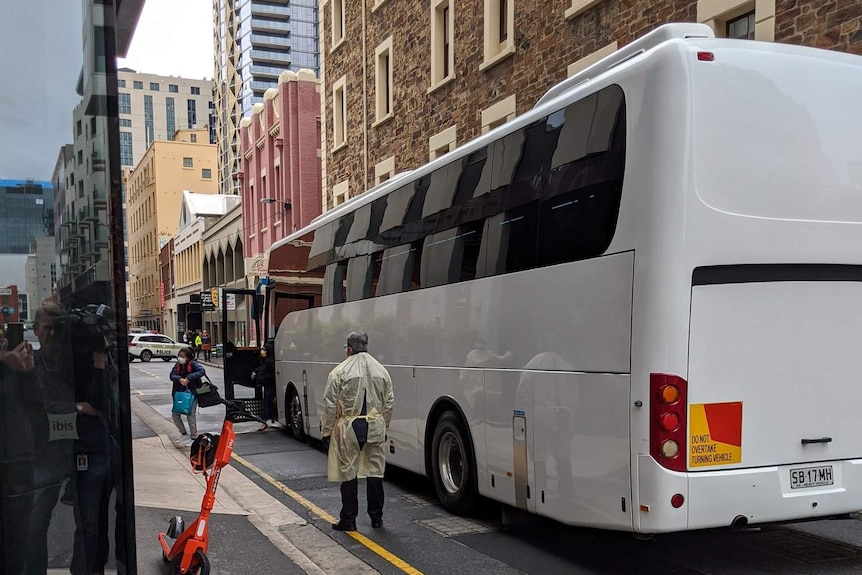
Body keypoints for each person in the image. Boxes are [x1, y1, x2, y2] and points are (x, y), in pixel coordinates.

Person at [321, 331, 394, 532]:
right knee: (375, 472)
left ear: (350, 348)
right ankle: (376, 518)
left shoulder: (339, 371)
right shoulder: (381, 370)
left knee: (348, 472)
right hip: (375, 425)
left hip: (349, 427)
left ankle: (349, 519)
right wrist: (384, 426)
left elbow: (329, 404)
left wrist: (327, 431)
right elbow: (389, 403)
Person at [0, 327, 36, 575]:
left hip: (18, 458)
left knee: (18, 541)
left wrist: (27, 373)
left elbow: (35, 408)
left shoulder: (15, 368)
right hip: (15, 456)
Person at [170, 347, 207, 446]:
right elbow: (172, 375)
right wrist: (180, 379)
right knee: (175, 415)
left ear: (188, 357)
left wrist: (188, 378)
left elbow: (201, 371)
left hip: (191, 394)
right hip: (179, 394)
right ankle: (183, 433)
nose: (180, 358)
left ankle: (194, 437)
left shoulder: (193, 364)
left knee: (190, 415)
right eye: (179, 356)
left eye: (182, 356)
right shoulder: (177, 365)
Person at [251, 342, 276, 431]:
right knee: (266, 401)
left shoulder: (270, 363)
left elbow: (266, 372)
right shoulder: (266, 361)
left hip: (270, 384)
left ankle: (264, 421)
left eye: (264, 350)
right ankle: (266, 419)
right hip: (267, 384)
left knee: (266, 402)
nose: (262, 351)